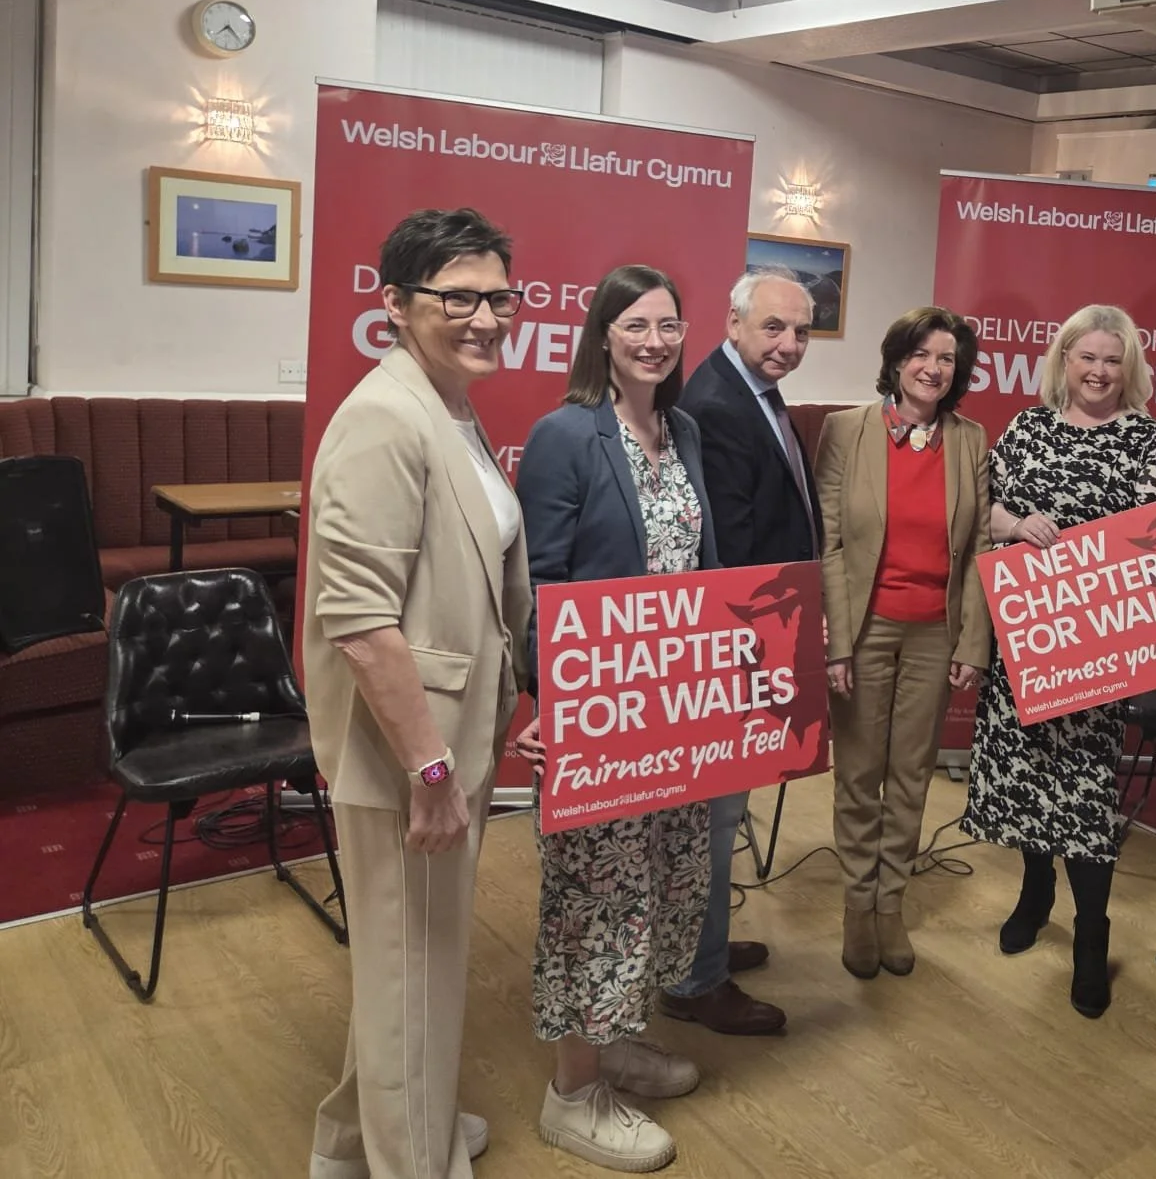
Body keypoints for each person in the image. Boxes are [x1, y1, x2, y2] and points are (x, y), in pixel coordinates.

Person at [305, 208, 530, 1179]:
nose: (484, 316)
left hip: (449, 741)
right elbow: (359, 621)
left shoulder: (446, 404)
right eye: (458, 297)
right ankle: (415, 1162)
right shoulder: (385, 418)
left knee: (408, 968)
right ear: (394, 305)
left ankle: (357, 1142)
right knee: (414, 972)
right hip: (409, 758)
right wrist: (429, 768)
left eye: (498, 297)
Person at [515, 266, 718, 1171]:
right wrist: (554, 703)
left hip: (674, 709)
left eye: (668, 326)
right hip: (597, 712)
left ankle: (619, 1040)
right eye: (635, 325)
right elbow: (540, 583)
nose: (654, 341)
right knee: (598, 900)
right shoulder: (565, 434)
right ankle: (570, 1093)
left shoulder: (689, 432)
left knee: (667, 883)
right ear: (603, 333)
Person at [962, 304, 1156, 1017]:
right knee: (1026, 778)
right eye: (1085, 357)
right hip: (1023, 641)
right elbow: (980, 502)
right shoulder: (1027, 428)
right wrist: (1012, 524)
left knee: (1084, 796)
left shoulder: (1147, 440)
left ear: (1130, 368)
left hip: (1099, 650)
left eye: (1111, 360)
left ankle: (1094, 932)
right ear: (1063, 360)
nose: (1097, 371)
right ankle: (1035, 893)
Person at [662, 270, 821, 1036]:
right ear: (732, 320)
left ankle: (706, 948)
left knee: (723, 819)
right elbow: (729, 556)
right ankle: (697, 979)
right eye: (773, 328)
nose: (789, 345)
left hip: (760, 637)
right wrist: (773, 652)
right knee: (715, 823)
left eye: (801, 331)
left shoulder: (746, 387)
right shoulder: (719, 404)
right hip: (739, 645)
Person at [815, 307, 992, 980]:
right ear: (895, 360)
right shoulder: (846, 431)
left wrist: (972, 643)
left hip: (934, 630)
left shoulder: (971, 439)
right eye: (921, 354)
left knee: (912, 774)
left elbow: (978, 546)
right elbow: (830, 542)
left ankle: (892, 903)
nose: (932, 368)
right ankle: (858, 906)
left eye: (946, 358)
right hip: (865, 625)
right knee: (860, 772)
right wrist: (835, 642)